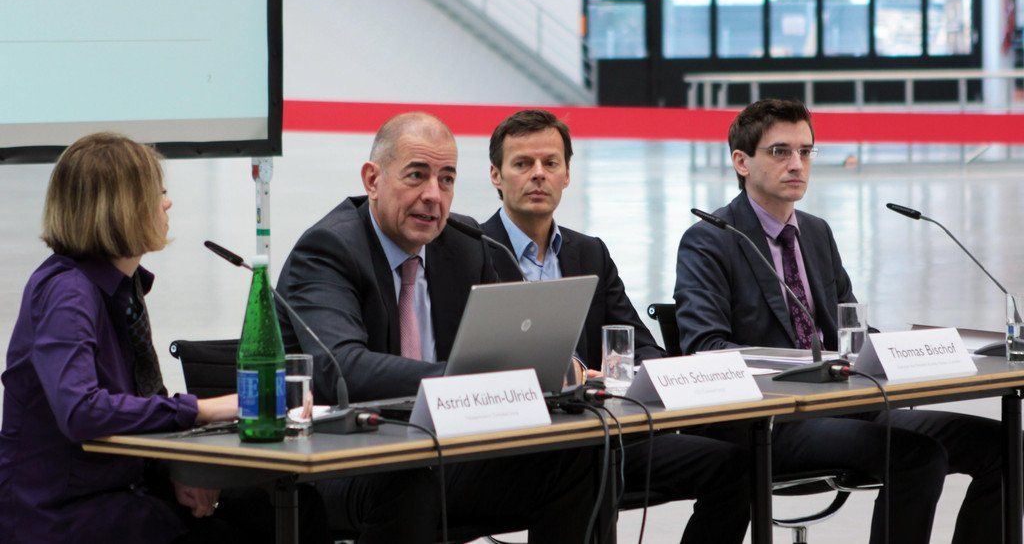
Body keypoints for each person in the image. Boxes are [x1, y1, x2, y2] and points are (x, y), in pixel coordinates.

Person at [674, 98, 1003, 544]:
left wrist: (901, 352)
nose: (797, 164)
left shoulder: (815, 232)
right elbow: (705, 349)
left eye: (805, 151)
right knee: (917, 455)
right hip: (768, 421)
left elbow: (851, 333)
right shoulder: (710, 240)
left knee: (1004, 446)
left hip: (844, 408)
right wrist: (807, 368)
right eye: (780, 151)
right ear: (741, 162)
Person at [277, 112, 603, 543]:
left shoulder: (465, 244)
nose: (433, 195)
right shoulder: (329, 249)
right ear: (372, 179)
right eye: (417, 175)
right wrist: (462, 381)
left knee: (581, 453)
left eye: (446, 179)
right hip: (337, 460)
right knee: (406, 482)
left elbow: (502, 351)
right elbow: (342, 369)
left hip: (436, 451)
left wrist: (554, 368)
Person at [481, 108, 751, 544]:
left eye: (550, 163)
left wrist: (622, 375)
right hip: (517, 445)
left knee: (734, 464)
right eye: (522, 163)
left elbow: (641, 347)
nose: (538, 174)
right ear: (496, 175)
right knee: (586, 472)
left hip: (601, 430)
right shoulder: (472, 251)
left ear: (567, 174)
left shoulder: (590, 252)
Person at [0, 133, 241, 543]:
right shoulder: (69, 292)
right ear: (124, 207)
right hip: (61, 517)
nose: (167, 203)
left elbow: (133, 407)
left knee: (276, 513)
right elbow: (81, 411)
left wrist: (173, 472)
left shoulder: (122, 288)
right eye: (159, 193)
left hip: (116, 496)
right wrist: (201, 409)